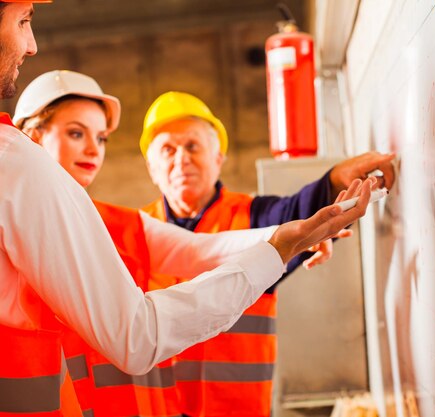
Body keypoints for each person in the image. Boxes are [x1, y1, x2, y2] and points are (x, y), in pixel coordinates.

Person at [0, 2, 374, 415]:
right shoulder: (19, 169)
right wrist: (286, 243)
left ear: (219, 157)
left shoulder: (126, 223)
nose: (92, 148)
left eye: (102, 137)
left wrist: (297, 232)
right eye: (75, 133)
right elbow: (138, 334)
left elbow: (204, 247)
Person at [140, 92, 396, 416]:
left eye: (192, 146)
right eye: (167, 150)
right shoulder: (136, 233)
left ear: (218, 157)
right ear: (151, 168)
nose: (181, 159)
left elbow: (296, 216)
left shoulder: (253, 217)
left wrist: (333, 183)